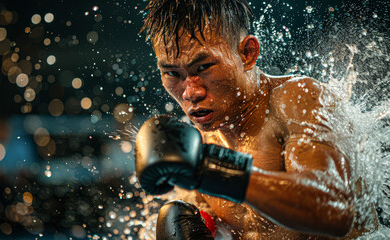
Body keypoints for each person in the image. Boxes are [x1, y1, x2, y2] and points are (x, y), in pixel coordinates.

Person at [134, 0, 377, 239]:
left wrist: (212, 170)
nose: (190, 93)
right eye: (172, 74)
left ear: (248, 53)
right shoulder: (197, 144)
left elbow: (335, 209)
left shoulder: (296, 100)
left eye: (204, 67)